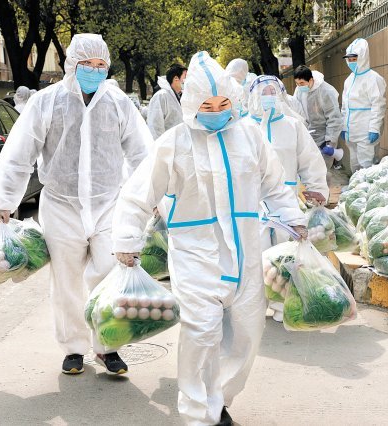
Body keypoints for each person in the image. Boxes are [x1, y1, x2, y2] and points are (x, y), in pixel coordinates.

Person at [112, 51, 307, 426]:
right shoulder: (174, 143)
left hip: (246, 250)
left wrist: (293, 218)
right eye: (207, 104)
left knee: (249, 331)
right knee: (201, 332)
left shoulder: (249, 136)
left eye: (223, 103)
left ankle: (220, 399)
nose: (216, 110)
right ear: (191, 103)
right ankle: (200, 414)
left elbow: (275, 185)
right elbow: (139, 193)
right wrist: (126, 238)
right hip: (194, 253)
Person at [0, 34, 150, 376]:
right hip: (61, 204)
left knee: (109, 274)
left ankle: (108, 346)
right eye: (86, 65)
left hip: (110, 202)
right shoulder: (47, 102)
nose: (94, 71)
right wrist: (5, 199)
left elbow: (141, 154)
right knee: (66, 280)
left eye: (100, 65)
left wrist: (151, 200)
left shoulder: (119, 103)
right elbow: (20, 152)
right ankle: (74, 348)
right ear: (72, 65)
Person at [247, 74, 328, 322]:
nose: (268, 97)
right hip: (253, 203)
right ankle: (255, 305)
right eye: (263, 93)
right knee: (256, 255)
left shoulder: (292, 127)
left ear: (281, 95)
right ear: (252, 96)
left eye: (273, 93)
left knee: (286, 255)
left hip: (287, 200)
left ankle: (285, 304)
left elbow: (310, 160)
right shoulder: (244, 127)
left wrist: (317, 188)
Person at [342, 38, 387, 171]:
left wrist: (374, 128)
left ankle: (366, 191)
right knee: (354, 163)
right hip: (351, 133)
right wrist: (344, 127)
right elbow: (344, 107)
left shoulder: (374, 78)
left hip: (366, 131)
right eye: (349, 59)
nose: (351, 62)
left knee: (367, 165)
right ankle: (356, 189)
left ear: (362, 57)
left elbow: (378, 105)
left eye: (354, 59)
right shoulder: (349, 80)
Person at [293, 65, 343, 169]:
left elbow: (334, 118)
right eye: (297, 83)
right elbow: (297, 112)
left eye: (302, 83)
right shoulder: (299, 90)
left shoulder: (325, 91)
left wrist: (330, 141)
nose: (299, 86)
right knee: (309, 171)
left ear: (311, 80)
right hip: (308, 136)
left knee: (322, 171)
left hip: (324, 137)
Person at [147, 63, 187, 140]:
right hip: (166, 145)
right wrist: (160, 147)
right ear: (176, 78)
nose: (188, 80)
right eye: (185, 76)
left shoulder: (183, 96)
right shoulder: (161, 96)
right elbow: (155, 126)